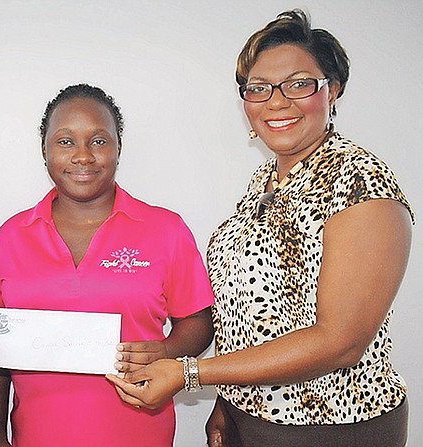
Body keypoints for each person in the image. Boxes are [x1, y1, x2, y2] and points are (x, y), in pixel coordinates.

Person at [107, 10, 414, 447]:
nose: (277, 101)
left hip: (332, 428)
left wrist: (191, 374)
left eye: (299, 83)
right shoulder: (264, 182)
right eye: (259, 88)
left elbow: (340, 341)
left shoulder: (360, 183)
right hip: (253, 421)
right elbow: (251, 312)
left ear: (334, 89)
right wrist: (227, 402)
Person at [0, 83, 215, 446]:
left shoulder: (166, 230)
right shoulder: (10, 238)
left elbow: (199, 322)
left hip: (140, 435)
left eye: (99, 141)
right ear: (44, 151)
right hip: (36, 437)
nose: (83, 156)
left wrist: (168, 350)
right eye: (65, 141)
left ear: (118, 148)